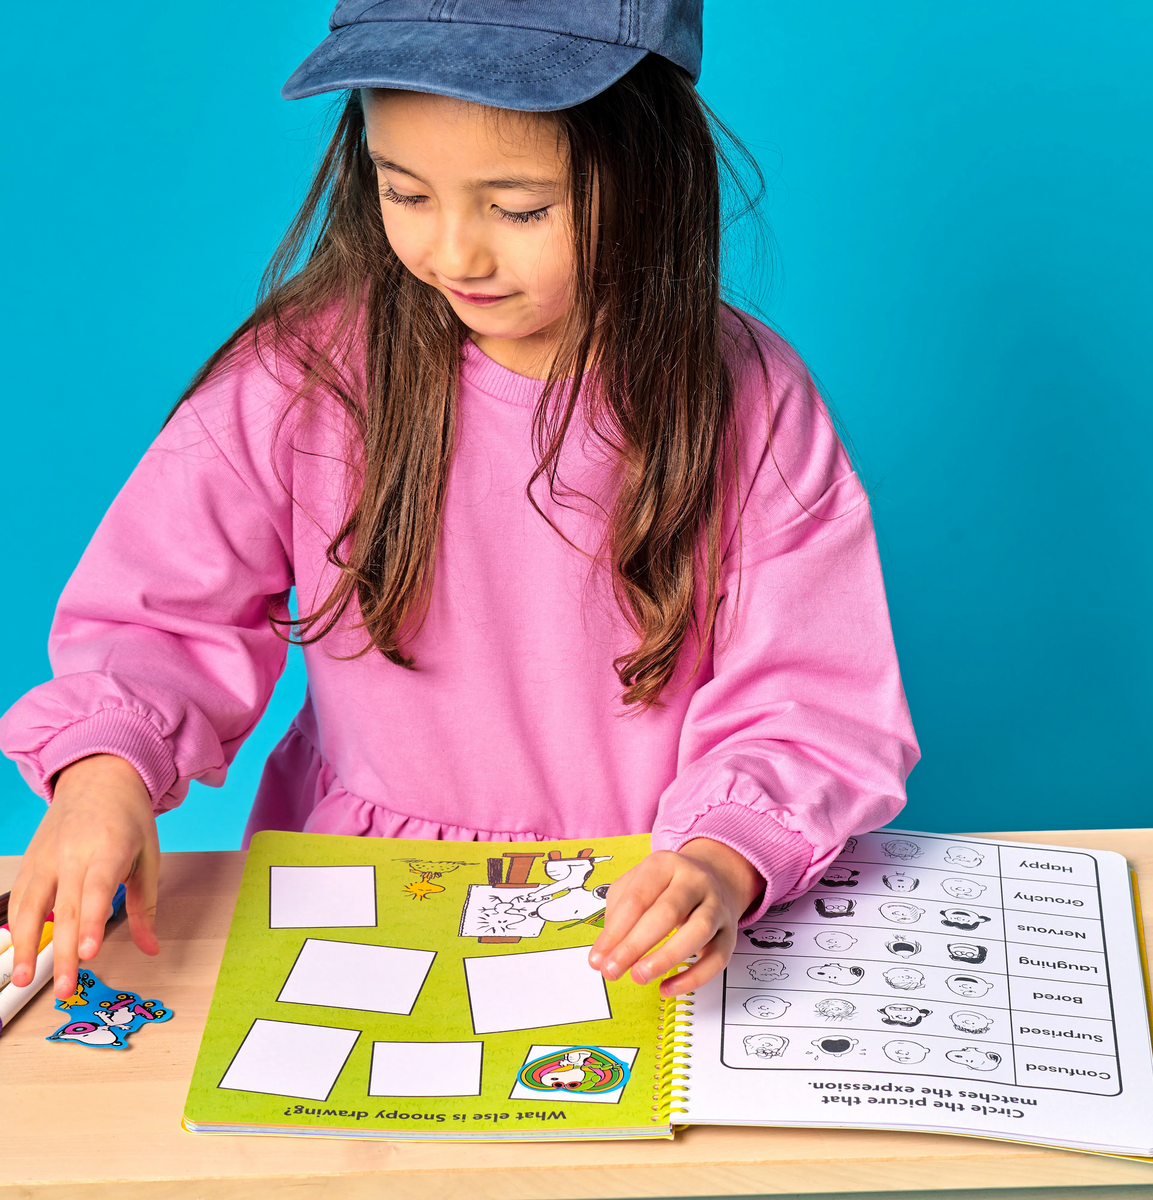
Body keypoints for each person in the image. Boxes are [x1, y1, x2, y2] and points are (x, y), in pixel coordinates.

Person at [0, 0, 918, 1004]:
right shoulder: (304, 376)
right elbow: (161, 613)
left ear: (649, 172)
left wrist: (722, 860)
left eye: (519, 209)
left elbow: (815, 697)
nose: (456, 256)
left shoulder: (751, 397)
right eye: (406, 191)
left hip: (635, 910)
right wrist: (102, 777)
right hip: (368, 900)